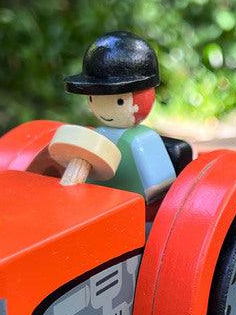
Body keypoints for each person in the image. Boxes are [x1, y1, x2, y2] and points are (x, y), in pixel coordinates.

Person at [64, 31, 176, 201]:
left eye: (119, 102)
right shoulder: (97, 135)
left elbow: (160, 187)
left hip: (139, 209)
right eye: (93, 98)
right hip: (99, 201)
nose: (102, 106)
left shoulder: (142, 140)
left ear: (143, 99)